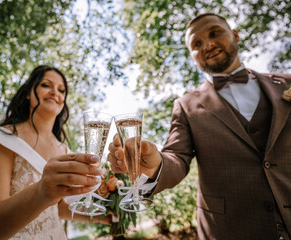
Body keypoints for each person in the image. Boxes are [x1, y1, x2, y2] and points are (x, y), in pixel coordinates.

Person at [107, 13, 291, 239]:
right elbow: (176, 157)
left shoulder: (286, 84)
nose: (208, 44)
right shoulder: (185, 106)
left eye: (214, 33)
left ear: (235, 35)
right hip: (230, 230)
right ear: (192, 57)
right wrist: (154, 167)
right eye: (197, 44)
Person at [0, 65, 110, 240]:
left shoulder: (64, 150)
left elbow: (56, 208)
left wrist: (105, 217)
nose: (55, 92)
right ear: (27, 93)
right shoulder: (1, 139)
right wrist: (41, 192)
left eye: (61, 90)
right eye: (46, 85)